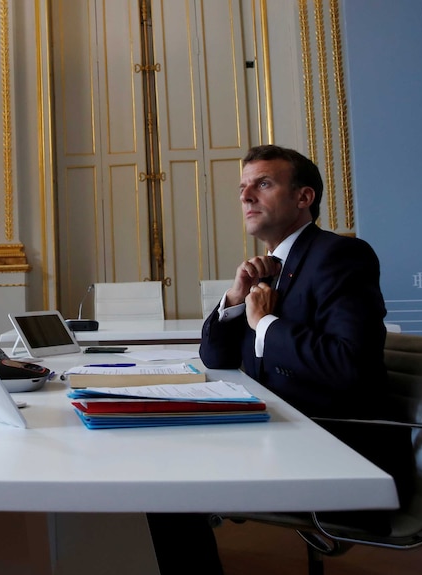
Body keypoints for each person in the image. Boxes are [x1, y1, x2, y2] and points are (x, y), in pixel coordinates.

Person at [149, 145, 397, 574]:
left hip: (330, 446)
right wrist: (234, 299)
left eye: (263, 184)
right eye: (243, 188)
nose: (246, 197)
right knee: (155, 462)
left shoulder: (340, 256)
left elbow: (349, 366)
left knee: (162, 482)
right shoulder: (269, 267)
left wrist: (265, 324)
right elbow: (215, 357)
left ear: (304, 197)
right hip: (277, 431)